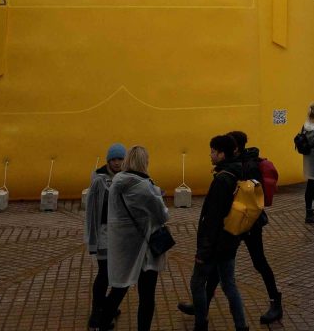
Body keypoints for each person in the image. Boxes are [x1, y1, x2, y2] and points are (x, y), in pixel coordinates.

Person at [179, 130, 281, 326]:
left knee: (258, 262)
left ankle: (275, 300)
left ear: (233, 148)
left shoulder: (245, 167)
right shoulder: (238, 164)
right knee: (221, 270)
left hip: (247, 224)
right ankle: (203, 306)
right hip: (234, 225)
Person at [99, 146, 170, 331]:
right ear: (144, 162)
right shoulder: (144, 187)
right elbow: (162, 216)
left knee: (118, 289)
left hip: (122, 245)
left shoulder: (117, 182)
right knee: (147, 297)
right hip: (145, 248)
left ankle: (101, 323)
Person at [185, 134, 247, 331]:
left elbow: (212, 219)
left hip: (215, 243)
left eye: (213, 151)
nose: (210, 155)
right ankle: (241, 325)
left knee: (197, 283)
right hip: (230, 240)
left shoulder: (222, 180)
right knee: (229, 285)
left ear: (222, 154)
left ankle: (200, 323)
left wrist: (203, 250)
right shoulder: (239, 172)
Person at [85, 143, 126, 331]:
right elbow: (93, 207)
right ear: (108, 160)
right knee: (104, 273)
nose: (117, 163)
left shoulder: (127, 176)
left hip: (120, 233)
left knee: (115, 272)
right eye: (114, 159)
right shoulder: (99, 179)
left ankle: (107, 307)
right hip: (103, 232)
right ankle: (97, 312)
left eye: (120, 159)